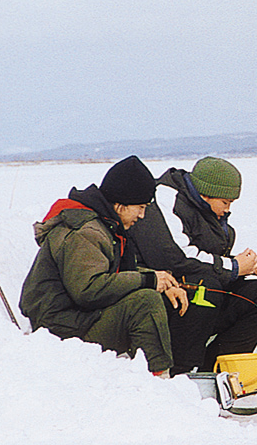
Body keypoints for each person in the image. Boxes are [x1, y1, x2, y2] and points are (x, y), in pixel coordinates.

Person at [19, 156, 188, 376]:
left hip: (78, 318)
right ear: (120, 204)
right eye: (140, 207)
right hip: (61, 327)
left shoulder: (104, 224)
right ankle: (159, 380)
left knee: (156, 295)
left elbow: (113, 273)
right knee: (146, 302)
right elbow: (88, 290)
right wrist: (148, 281)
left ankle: (159, 373)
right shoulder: (86, 232)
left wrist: (161, 281)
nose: (142, 215)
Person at [127, 157, 257, 376]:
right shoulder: (166, 199)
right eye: (225, 202)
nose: (227, 210)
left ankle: (217, 367)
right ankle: (182, 371)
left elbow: (208, 257)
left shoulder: (207, 210)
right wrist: (234, 267)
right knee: (205, 288)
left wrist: (244, 265)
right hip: (165, 288)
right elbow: (174, 257)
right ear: (205, 193)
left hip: (198, 284)